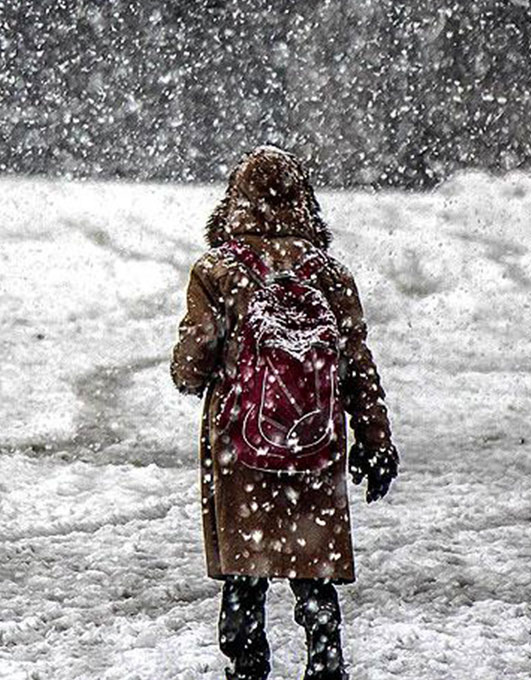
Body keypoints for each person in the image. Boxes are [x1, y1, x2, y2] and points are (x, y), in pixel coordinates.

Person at [171, 146, 399, 680]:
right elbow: (357, 366)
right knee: (311, 565)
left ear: (234, 202)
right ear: (305, 202)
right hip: (314, 447)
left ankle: (246, 663)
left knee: (244, 571)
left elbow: (191, 367)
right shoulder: (329, 276)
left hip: (241, 444)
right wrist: (375, 439)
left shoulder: (217, 272)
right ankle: (325, 660)